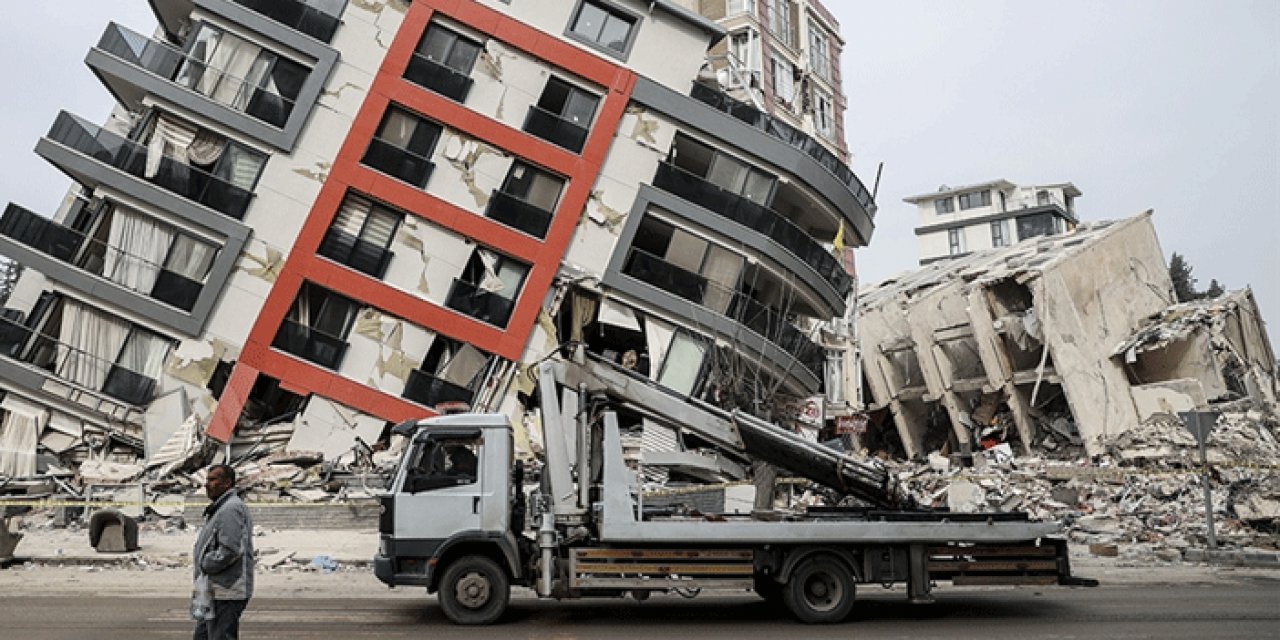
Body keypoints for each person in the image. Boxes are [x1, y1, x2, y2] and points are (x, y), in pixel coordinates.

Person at [193, 464, 255, 640]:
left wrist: (206, 563)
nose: (207, 484)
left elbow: (230, 550)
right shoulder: (221, 508)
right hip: (214, 590)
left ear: (227, 483)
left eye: (213, 480)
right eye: (207, 479)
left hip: (227, 590)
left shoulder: (230, 509)